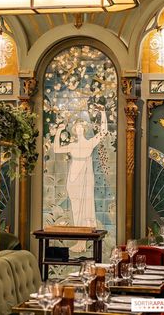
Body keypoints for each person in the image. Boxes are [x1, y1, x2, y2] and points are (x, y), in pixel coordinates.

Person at [54, 106, 107, 252]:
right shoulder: (72, 146)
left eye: (81, 127)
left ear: (84, 129)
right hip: (73, 180)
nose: (78, 129)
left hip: (86, 180)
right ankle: (79, 241)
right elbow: (56, 149)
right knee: (76, 210)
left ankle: (83, 242)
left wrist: (103, 113)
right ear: (74, 131)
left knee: (86, 209)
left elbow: (103, 132)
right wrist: (59, 131)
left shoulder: (90, 143)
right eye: (76, 127)